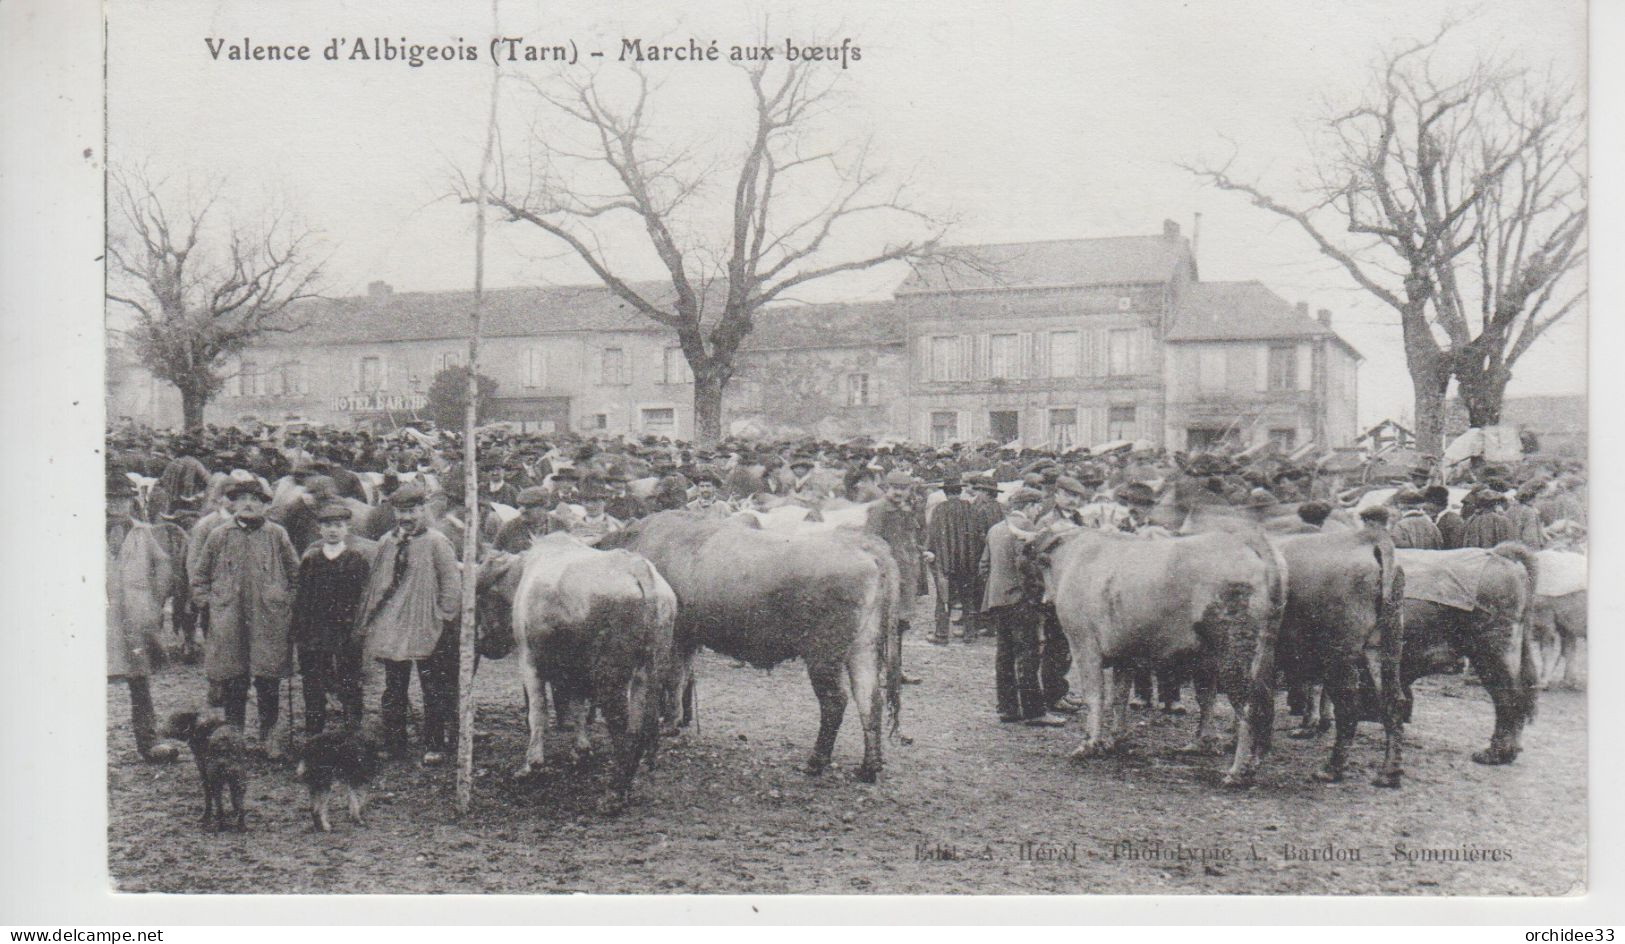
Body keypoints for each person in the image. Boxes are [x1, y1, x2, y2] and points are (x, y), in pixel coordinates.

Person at [190, 479, 300, 756]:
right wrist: (210, 604)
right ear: (233, 503)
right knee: (234, 680)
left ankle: (269, 738)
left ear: (265, 505)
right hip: (230, 619)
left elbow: (296, 575)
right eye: (242, 499)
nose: (249, 504)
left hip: (268, 619)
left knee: (268, 679)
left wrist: (285, 602)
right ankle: (234, 737)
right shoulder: (219, 535)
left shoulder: (277, 535)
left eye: (255, 499)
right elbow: (199, 577)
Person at [356, 485, 463, 766]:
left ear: (422, 511)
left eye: (412, 511)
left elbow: (451, 584)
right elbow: (377, 584)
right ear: (394, 513)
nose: (407, 517)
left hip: (427, 625)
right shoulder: (387, 542)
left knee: (433, 688)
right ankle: (394, 744)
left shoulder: (437, 542)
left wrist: (442, 617)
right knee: (394, 688)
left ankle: (434, 743)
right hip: (394, 627)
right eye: (401, 511)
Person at [106, 472, 183, 763]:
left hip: (135, 617)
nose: (117, 505)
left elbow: (163, 566)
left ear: (132, 501)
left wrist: (155, 601)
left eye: (123, 499)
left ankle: (149, 742)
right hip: (101, 617)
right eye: (111, 499)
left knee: (140, 681)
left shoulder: (142, 532)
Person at [980, 488, 1063, 726]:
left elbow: (984, 566)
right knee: (1028, 655)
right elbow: (1027, 565)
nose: (1038, 511)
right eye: (1037, 506)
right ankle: (1034, 711)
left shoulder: (995, 528)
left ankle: (1008, 708)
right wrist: (1037, 595)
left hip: (998, 599)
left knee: (1004, 655)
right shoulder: (1027, 528)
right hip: (1021, 600)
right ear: (1029, 506)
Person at [291, 502, 372, 736]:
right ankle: (314, 733)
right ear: (319, 530)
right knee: (313, 685)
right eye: (327, 526)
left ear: (347, 528)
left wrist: (357, 628)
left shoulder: (356, 559)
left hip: (346, 632)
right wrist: (299, 630)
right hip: (316, 633)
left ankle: (352, 732)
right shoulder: (311, 560)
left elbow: (363, 597)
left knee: (350, 681)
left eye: (338, 526)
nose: (333, 531)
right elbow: (303, 598)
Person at [1031, 475, 1091, 714]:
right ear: (1057, 495)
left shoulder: (1078, 519)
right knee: (1055, 642)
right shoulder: (1047, 521)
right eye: (1068, 495)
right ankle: (1053, 694)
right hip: (1054, 589)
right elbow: (1037, 555)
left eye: (1076, 496)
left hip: (1074, 588)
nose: (1072, 500)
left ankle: (1061, 689)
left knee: (1066, 643)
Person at [866, 469, 929, 684]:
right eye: (895, 488)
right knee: (884, 625)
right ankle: (881, 672)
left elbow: (908, 540)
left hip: (905, 576)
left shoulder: (904, 510)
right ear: (886, 488)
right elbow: (871, 543)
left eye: (904, 489)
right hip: (887, 576)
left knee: (899, 626)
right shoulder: (879, 510)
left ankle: (895, 670)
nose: (899, 493)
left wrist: (921, 552)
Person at [926, 473, 983, 645]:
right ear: (959, 491)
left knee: (944, 598)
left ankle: (942, 634)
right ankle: (970, 633)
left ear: (946, 493)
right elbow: (977, 533)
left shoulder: (939, 510)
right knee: (968, 597)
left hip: (946, 562)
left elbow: (933, 535)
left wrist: (931, 553)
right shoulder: (970, 507)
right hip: (967, 562)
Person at [494, 486, 559, 552]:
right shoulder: (510, 527)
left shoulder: (558, 524)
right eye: (521, 506)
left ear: (544, 506)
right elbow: (494, 553)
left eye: (529, 507)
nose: (522, 510)